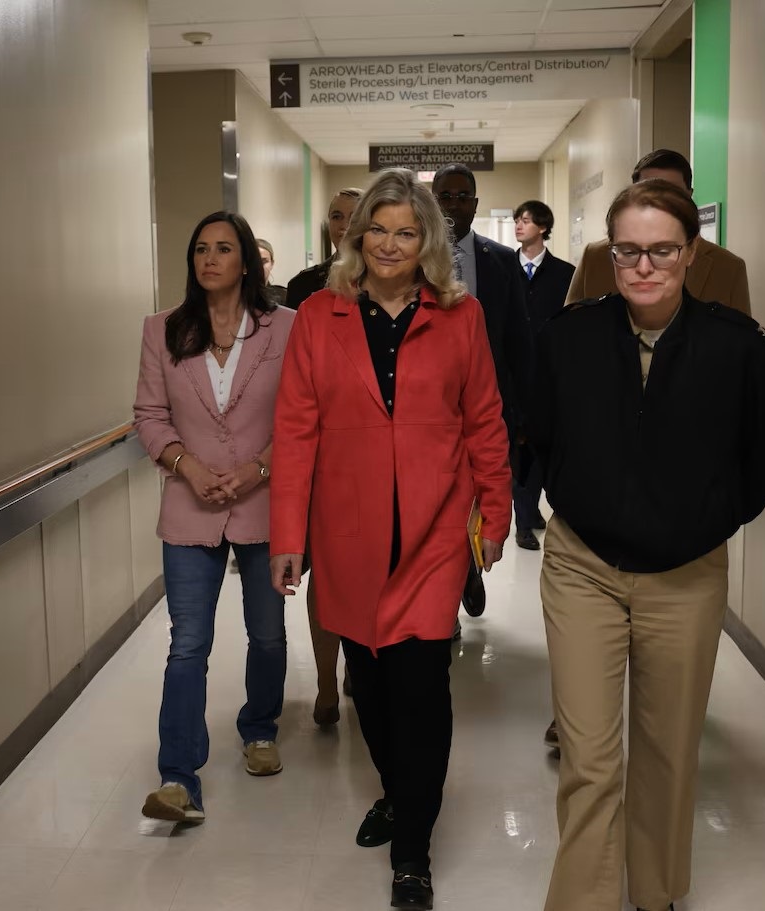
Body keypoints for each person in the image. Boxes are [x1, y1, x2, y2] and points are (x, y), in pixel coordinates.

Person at [528, 179, 765, 911]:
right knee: (590, 758)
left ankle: (655, 895)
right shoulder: (569, 337)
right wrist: (577, 498)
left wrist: (711, 518)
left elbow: (762, 450)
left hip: (687, 573)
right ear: (611, 254)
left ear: (691, 251)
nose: (644, 266)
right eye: (628, 251)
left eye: (661, 250)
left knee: (669, 751)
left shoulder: (739, 346)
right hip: (584, 567)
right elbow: (541, 435)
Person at [269, 168, 511, 911]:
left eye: (407, 231)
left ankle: (413, 850)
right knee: (368, 687)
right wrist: (288, 534)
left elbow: (485, 422)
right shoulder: (318, 315)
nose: (390, 243)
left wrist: (494, 516)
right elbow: (296, 430)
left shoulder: (459, 316)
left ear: (427, 240)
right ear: (355, 233)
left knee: (420, 684)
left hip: (436, 530)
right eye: (378, 227)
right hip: (346, 533)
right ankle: (400, 790)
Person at [133, 211, 293, 825]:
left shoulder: (286, 329)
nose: (210, 259)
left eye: (224, 248)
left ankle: (259, 729)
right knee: (187, 645)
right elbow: (149, 415)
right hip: (189, 507)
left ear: (247, 260)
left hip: (263, 501)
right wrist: (186, 466)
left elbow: (304, 419)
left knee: (268, 632)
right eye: (201, 248)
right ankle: (177, 776)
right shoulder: (163, 330)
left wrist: (257, 470)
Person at [431, 163, 531, 620]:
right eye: (444, 196)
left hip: (489, 401)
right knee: (440, 497)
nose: (453, 205)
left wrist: (521, 409)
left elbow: (516, 339)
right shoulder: (412, 259)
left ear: (475, 202)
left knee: (480, 489)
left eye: (461, 196)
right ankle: (449, 585)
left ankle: (470, 566)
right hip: (433, 405)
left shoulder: (503, 260)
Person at [281, 185, 363, 725]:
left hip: (366, 458)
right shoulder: (305, 290)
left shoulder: (389, 283)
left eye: (354, 216)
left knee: (362, 572)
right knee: (324, 575)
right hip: (318, 458)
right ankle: (327, 682)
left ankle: (359, 665)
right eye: (335, 216)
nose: (343, 224)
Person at [563, 149, 751, 313]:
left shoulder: (728, 267)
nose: (659, 202)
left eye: (672, 192)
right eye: (648, 190)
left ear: (689, 195)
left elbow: (741, 345)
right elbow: (570, 333)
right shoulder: (594, 257)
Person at [510, 200, 575, 552]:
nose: (519, 226)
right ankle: (522, 523)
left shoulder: (565, 274)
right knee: (518, 448)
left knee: (540, 444)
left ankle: (530, 510)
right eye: (517, 220)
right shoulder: (506, 269)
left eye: (526, 220)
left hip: (550, 376)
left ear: (543, 227)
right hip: (514, 375)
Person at [284, 186, 362, 310]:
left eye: (354, 218)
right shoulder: (302, 284)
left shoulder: (383, 281)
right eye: (337, 217)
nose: (345, 226)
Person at [256, 237, 288, 307]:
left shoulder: (285, 296)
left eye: (264, 261)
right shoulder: (236, 297)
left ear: (272, 263)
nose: (259, 267)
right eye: (255, 261)